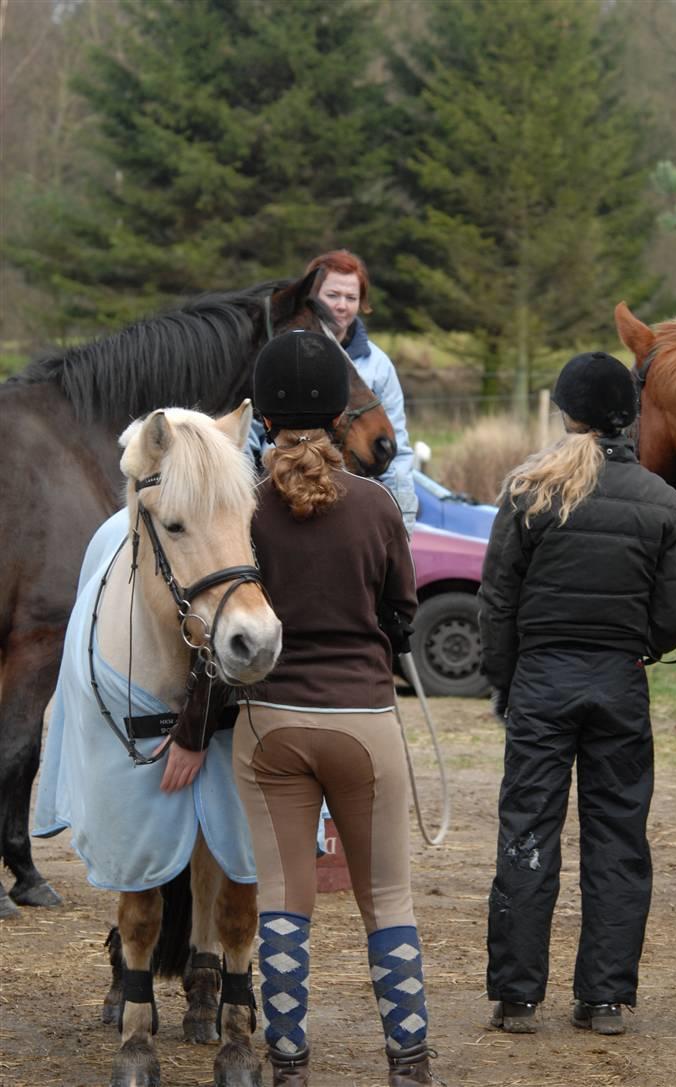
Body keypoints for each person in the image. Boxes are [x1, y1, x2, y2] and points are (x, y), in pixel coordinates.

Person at [232, 329, 439, 1086]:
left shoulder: (246, 511)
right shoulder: (379, 505)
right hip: (364, 722)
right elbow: (401, 613)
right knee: (387, 897)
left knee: (284, 901)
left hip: (270, 724)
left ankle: (289, 1065)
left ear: (266, 417)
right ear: (337, 410)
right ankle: (409, 1066)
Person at [477, 352, 676, 1036]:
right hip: (618, 683)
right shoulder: (664, 502)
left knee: (527, 832)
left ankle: (517, 996)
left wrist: (505, 679)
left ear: (567, 412)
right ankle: (602, 997)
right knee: (618, 839)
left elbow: (498, 599)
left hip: (542, 680)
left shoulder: (527, 489)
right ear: (629, 415)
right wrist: (640, 647)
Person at [305, 248, 418, 536]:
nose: (341, 306)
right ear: (311, 296)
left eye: (351, 298)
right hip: (296, 510)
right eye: (332, 295)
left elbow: (398, 451)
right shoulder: (284, 358)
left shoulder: (378, 366)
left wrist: (401, 524)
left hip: (356, 517)